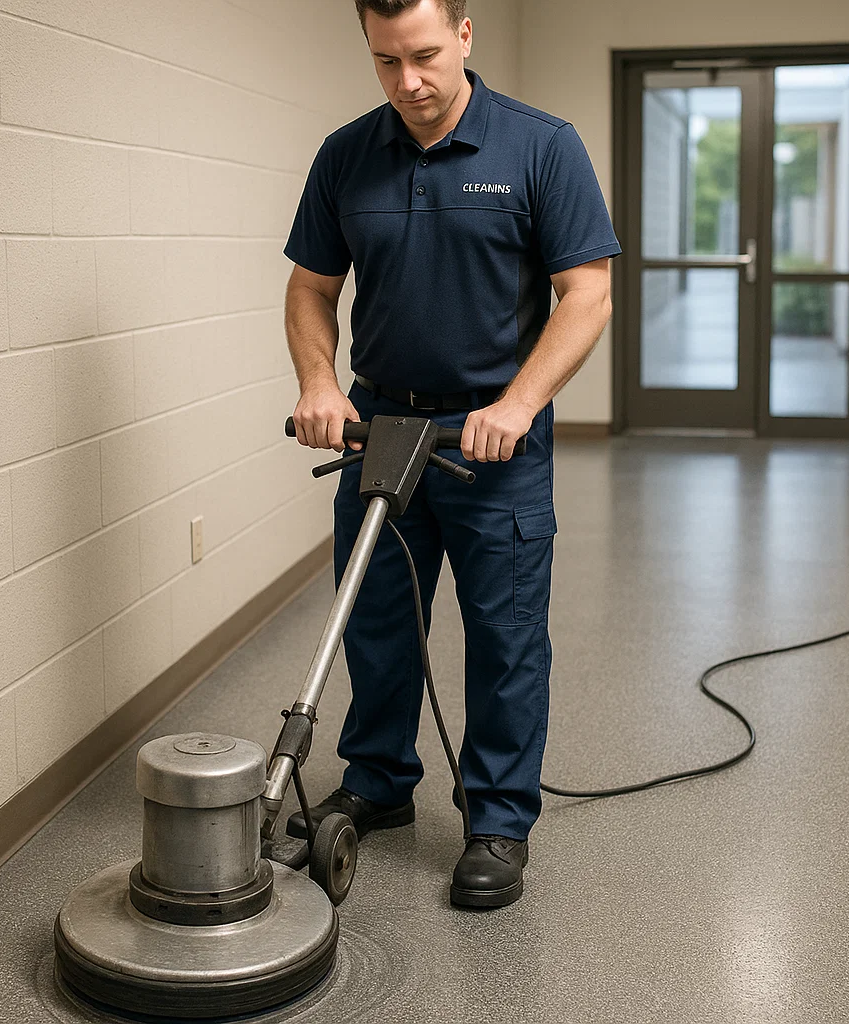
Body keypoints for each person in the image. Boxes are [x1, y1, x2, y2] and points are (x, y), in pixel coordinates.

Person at [282, 0, 620, 908]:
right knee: (377, 618)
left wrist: (518, 402)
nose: (409, 83)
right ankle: (381, 780)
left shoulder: (540, 146)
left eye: (425, 56)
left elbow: (586, 292)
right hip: (378, 428)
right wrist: (319, 385)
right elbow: (312, 287)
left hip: (491, 440)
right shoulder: (346, 153)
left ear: (465, 35)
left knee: (504, 634)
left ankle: (501, 819)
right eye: (386, 62)